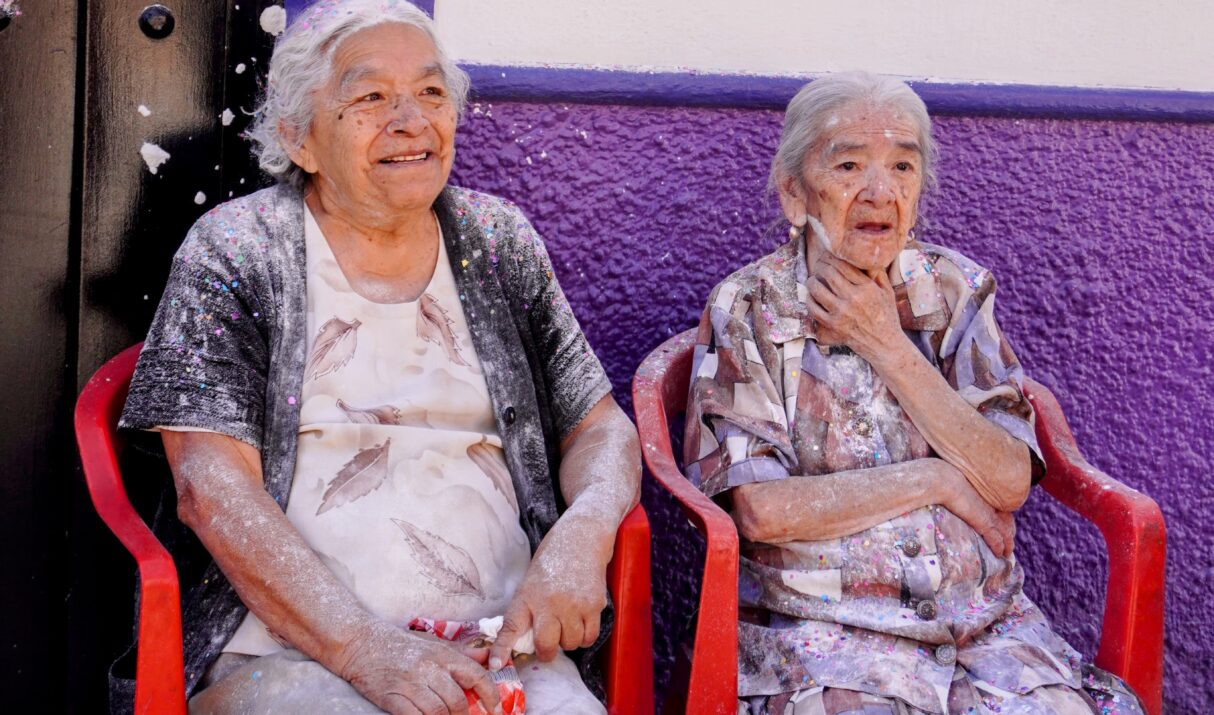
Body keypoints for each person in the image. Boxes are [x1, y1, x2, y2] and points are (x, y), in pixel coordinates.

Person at [118, 1, 639, 713]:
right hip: (298, 654)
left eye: (430, 93)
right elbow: (210, 486)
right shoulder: (237, 248)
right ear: (298, 136)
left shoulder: (497, 240)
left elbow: (601, 428)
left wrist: (584, 533)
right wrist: (365, 647)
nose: (411, 121)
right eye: (370, 98)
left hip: (501, 651)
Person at [683, 72, 1143, 715]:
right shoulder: (751, 307)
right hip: (829, 639)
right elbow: (761, 511)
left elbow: (1009, 480)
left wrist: (887, 344)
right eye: (849, 165)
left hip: (986, 632)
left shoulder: (954, 291)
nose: (880, 192)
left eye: (903, 165)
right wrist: (936, 479)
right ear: (794, 195)